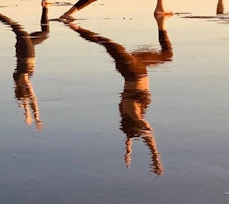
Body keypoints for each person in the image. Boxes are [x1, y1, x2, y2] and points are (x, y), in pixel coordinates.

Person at [66, 16, 171, 175]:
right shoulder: (128, 115)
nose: (145, 127)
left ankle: (74, 26)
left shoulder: (134, 116)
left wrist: (155, 157)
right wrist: (128, 153)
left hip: (132, 69)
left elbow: (147, 137)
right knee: (167, 55)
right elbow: (129, 136)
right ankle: (162, 24)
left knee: (106, 42)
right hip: (138, 66)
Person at [0, 6, 50, 129]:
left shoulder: (23, 80)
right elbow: (29, 101)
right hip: (25, 49)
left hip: (26, 51)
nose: (30, 90)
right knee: (45, 33)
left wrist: (32, 115)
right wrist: (32, 115)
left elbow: (32, 99)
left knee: (16, 27)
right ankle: (45, 8)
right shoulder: (19, 81)